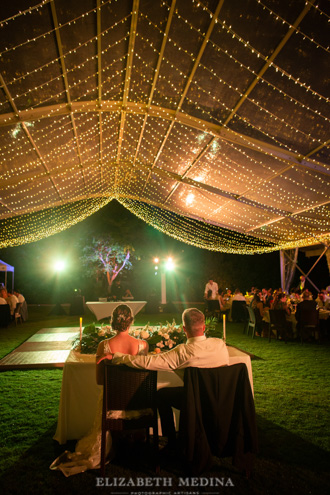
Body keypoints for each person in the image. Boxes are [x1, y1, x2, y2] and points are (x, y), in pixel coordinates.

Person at [108, 308, 229, 448]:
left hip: (194, 400)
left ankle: (171, 440)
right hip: (222, 398)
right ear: (204, 326)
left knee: (161, 395)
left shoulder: (182, 352)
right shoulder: (220, 345)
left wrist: (117, 356)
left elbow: (147, 362)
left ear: (184, 328)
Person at [50, 304, 148, 477]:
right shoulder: (143, 345)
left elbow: (99, 380)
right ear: (131, 321)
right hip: (137, 406)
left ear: (113, 322)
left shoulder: (104, 346)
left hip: (112, 407)